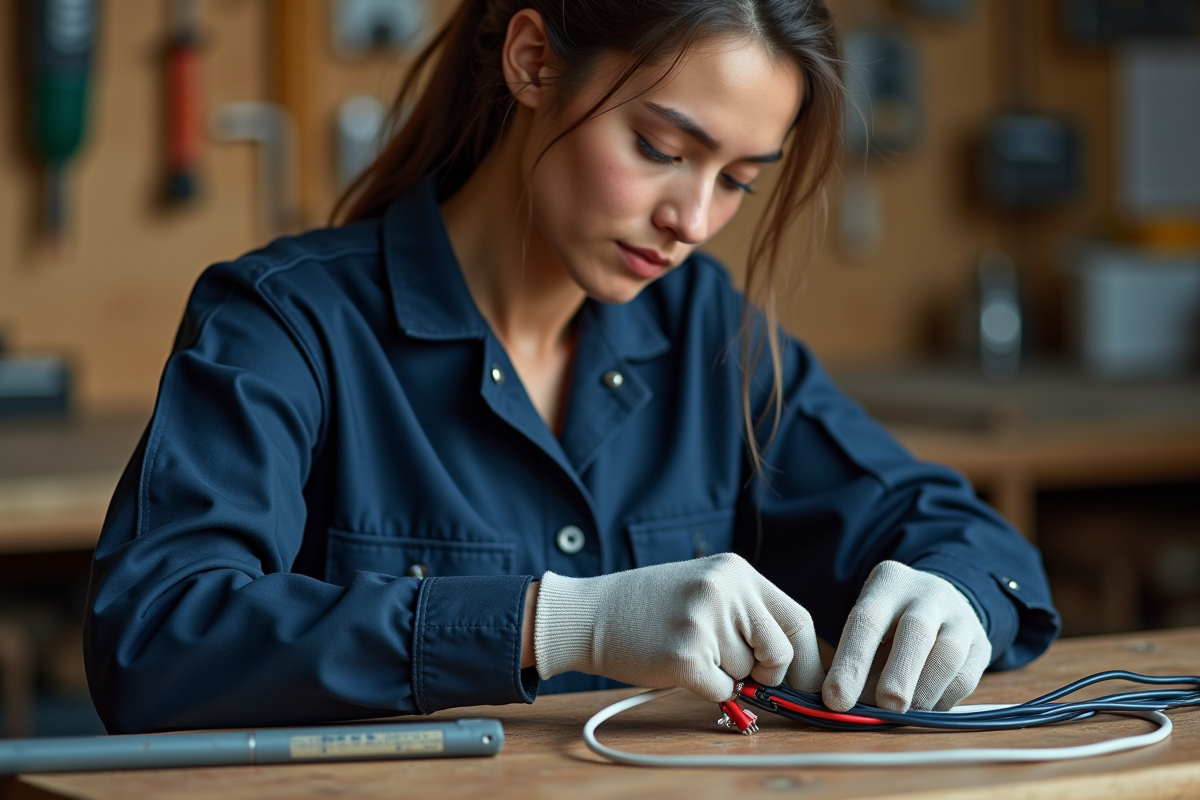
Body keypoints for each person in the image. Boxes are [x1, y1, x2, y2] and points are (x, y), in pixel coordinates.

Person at [84, 0, 1060, 734]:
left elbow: (952, 528)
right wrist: (554, 622)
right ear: (533, 60)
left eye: (738, 182)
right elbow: (156, 637)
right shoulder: (287, 322)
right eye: (660, 147)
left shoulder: (704, 329)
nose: (693, 219)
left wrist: (960, 593)